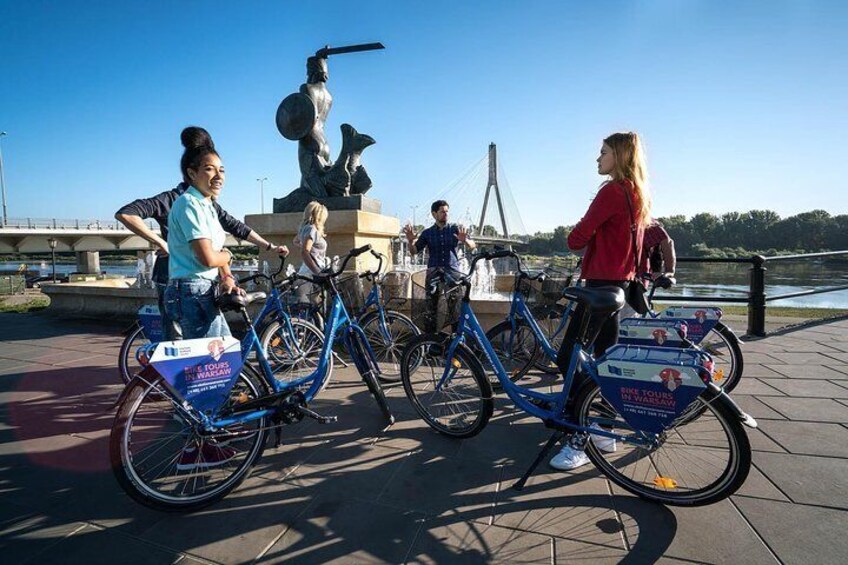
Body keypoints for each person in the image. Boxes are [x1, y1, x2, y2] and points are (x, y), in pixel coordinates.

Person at [115, 127, 288, 340]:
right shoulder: (184, 202)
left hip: (193, 286)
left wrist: (229, 274)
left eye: (221, 170)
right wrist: (162, 242)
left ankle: (174, 371)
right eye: (209, 169)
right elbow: (126, 214)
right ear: (191, 173)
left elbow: (236, 227)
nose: (218, 176)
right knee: (210, 355)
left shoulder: (207, 204)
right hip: (187, 286)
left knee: (197, 354)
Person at [550, 131, 652, 471]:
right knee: (605, 360)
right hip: (620, 286)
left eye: (603, 152)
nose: (598, 158)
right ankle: (606, 429)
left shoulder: (611, 191)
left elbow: (575, 238)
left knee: (568, 356)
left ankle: (583, 432)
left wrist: (583, 234)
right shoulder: (637, 194)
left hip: (599, 288)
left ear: (619, 157)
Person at [403, 200, 476, 333]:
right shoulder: (427, 233)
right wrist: (410, 240)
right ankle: (431, 344)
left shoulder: (455, 229)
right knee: (431, 310)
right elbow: (414, 252)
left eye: (447, 211)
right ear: (434, 214)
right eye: (442, 212)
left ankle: (457, 344)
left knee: (455, 310)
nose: (445, 214)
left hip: (453, 275)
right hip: (433, 275)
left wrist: (464, 240)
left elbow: (472, 246)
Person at [293, 201, 329, 304]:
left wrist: (308, 248)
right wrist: (317, 272)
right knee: (315, 307)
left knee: (312, 309)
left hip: (307, 271)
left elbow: (295, 241)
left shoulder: (305, 228)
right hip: (312, 273)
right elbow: (305, 252)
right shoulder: (312, 229)